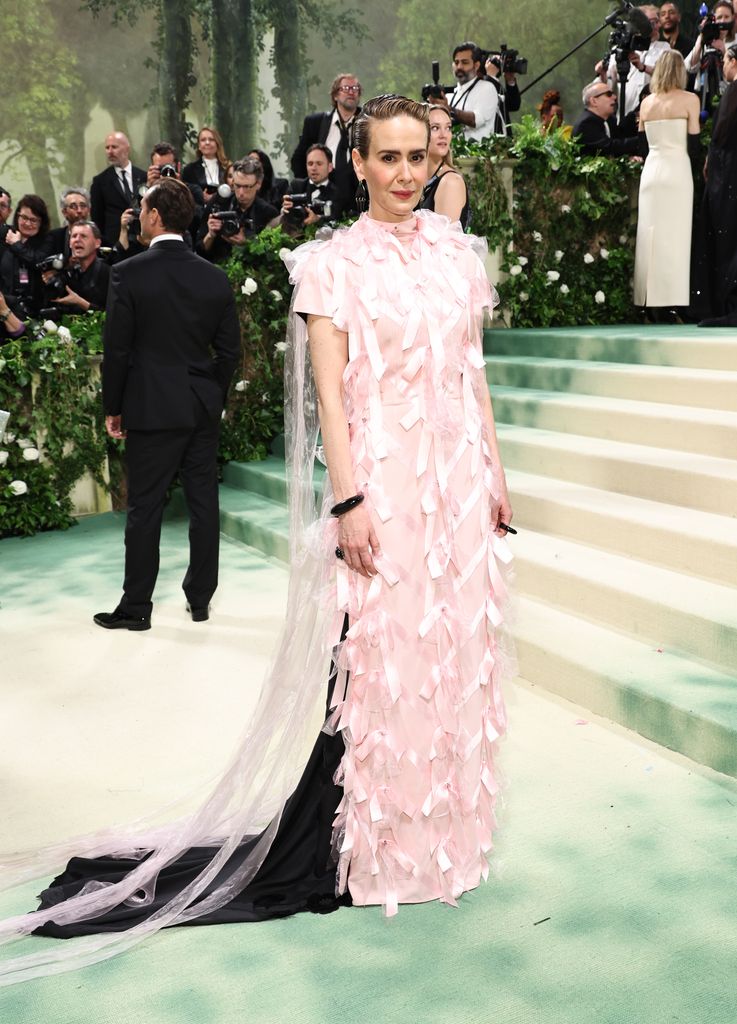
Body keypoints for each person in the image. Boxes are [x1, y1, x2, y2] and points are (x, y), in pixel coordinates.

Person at [0, 96, 513, 984]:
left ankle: (442, 844)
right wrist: (349, 498)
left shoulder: (460, 261)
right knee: (381, 665)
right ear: (355, 164)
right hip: (384, 485)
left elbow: (470, 376)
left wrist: (496, 470)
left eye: (412, 157)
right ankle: (375, 850)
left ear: (431, 160)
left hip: (460, 488)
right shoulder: (330, 265)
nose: (400, 173)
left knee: (453, 654)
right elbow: (331, 392)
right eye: (383, 157)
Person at [92, 178, 240, 631]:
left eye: (142, 208)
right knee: (203, 503)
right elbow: (230, 353)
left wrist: (112, 407)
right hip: (199, 406)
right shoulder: (214, 277)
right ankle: (200, 601)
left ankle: (137, 607)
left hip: (151, 406)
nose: (138, 213)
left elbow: (117, 350)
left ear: (155, 216)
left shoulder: (128, 272)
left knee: (145, 507)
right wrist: (208, 391)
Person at [633, 50, 701, 316]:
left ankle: (647, 301)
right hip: (677, 170)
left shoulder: (647, 104)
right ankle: (674, 301)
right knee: (677, 235)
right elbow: (694, 145)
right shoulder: (689, 100)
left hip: (651, 172)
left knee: (649, 234)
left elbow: (641, 144)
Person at [693, 43, 737, 322]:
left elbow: (721, 139)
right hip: (728, 174)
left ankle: (725, 302)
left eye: (726, 60)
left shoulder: (733, 92)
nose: (723, 66)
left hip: (728, 176)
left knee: (726, 238)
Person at [290, 73, 363, 217]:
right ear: (335, 95)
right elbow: (298, 160)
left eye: (355, 88)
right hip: (321, 204)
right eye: (346, 88)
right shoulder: (315, 122)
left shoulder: (368, 124)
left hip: (356, 204)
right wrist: (311, 187)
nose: (351, 92)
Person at [597, 5, 670, 123]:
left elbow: (669, 76)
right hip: (624, 113)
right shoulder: (620, 48)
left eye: (657, 22)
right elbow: (611, 83)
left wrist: (643, 67)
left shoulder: (665, 48)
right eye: (652, 22)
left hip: (653, 113)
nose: (657, 26)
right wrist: (603, 74)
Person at [197, 158, 278, 263]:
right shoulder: (219, 203)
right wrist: (210, 235)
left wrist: (247, 243)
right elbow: (199, 250)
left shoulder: (268, 213)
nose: (241, 192)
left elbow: (271, 257)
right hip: (217, 267)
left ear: (258, 184)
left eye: (247, 187)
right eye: (237, 186)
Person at [431, 42, 499, 142]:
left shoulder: (487, 88)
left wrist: (448, 109)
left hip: (478, 156)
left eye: (465, 62)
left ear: (476, 65)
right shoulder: (450, 96)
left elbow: (475, 120)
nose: (459, 67)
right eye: (456, 62)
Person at [0, 194, 53, 317]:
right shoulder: (4, 234)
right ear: (17, 215)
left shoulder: (47, 240)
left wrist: (16, 244)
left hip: (33, 309)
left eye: (33, 220)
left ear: (41, 222)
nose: (28, 223)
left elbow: (38, 262)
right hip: (4, 305)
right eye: (24, 217)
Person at [90, 132, 147, 246]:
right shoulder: (100, 182)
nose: (110, 152)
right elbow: (97, 219)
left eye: (114, 147)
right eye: (107, 148)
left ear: (127, 149)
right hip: (115, 243)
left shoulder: (144, 177)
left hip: (142, 240)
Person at [42, 221, 111, 314]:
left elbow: (114, 315)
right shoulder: (69, 274)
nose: (77, 240)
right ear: (70, 244)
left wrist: (79, 302)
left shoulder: (109, 273)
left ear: (97, 243)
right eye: (74, 236)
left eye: (83, 236)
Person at [419, 105, 471, 227]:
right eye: (435, 128)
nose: (444, 134)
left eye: (448, 128)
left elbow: (443, 244)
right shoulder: (418, 179)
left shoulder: (451, 182)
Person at [275, 144, 338, 235]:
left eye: (319, 164)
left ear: (330, 167)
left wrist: (318, 219)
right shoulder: (296, 186)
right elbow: (286, 216)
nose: (314, 168)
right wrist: (285, 209)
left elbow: (339, 221)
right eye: (310, 164)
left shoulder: (338, 193)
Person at [573, 82, 642, 156]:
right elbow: (609, 147)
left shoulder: (610, 119)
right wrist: (643, 139)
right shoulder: (586, 123)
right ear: (594, 101)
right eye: (608, 94)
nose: (614, 97)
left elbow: (620, 138)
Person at [181, 126, 231, 203]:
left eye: (211, 139)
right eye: (203, 140)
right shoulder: (190, 169)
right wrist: (200, 196)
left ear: (217, 143)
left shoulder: (228, 167)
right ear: (199, 146)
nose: (207, 143)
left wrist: (214, 197)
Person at [47, 187, 92, 260]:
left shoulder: (98, 238)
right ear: (64, 212)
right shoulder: (53, 238)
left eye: (83, 206)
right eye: (73, 206)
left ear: (89, 210)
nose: (79, 210)